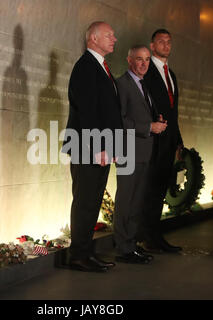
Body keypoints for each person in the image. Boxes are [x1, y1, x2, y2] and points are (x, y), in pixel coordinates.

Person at [62, 21, 123, 272]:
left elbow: (107, 112)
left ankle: (86, 253)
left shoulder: (101, 67)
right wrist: (98, 146)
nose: (115, 38)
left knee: (93, 201)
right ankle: (78, 256)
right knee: (85, 201)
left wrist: (114, 147)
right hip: (88, 148)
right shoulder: (86, 66)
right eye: (109, 35)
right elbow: (88, 111)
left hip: (100, 148)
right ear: (94, 38)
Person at [114, 45, 167, 264]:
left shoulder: (144, 84)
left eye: (146, 59)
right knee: (126, 201)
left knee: (137, 202)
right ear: (129, 60)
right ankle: (123, 249)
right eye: (139, 59)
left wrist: (157, 121)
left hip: (145, 151)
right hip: (128, 151)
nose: (144, 63)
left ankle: (131, 245)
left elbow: (143, 114)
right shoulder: (121, 84)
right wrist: (148, 127)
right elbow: (119, 119)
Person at [138, 29, 183, 253]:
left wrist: (178, 140)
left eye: (169, 41)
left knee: (159, 191)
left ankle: (156, 237)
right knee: (149, 191)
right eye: (161, 42)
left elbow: (173, 111)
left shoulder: (171, 75)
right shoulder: (146, 71)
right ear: (152, 46)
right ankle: (148, 237)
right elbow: (140, 103)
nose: (166, 45)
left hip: (168, 142)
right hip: (151, 140)